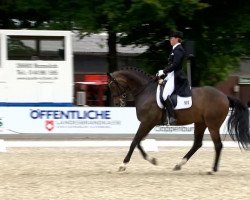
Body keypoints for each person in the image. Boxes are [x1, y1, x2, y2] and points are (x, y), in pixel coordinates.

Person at [156, 31, 186, 125]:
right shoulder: (174, 49)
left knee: (165, 95)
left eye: (171, 38)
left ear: (177, 39)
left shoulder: (179, 49)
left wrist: (164, 71)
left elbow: (176, 65)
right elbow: (171, 65)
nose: (170, 40)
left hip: (176, 76)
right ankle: (163, 117)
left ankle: (172, 117)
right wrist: (163, 72)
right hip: (171, 75)